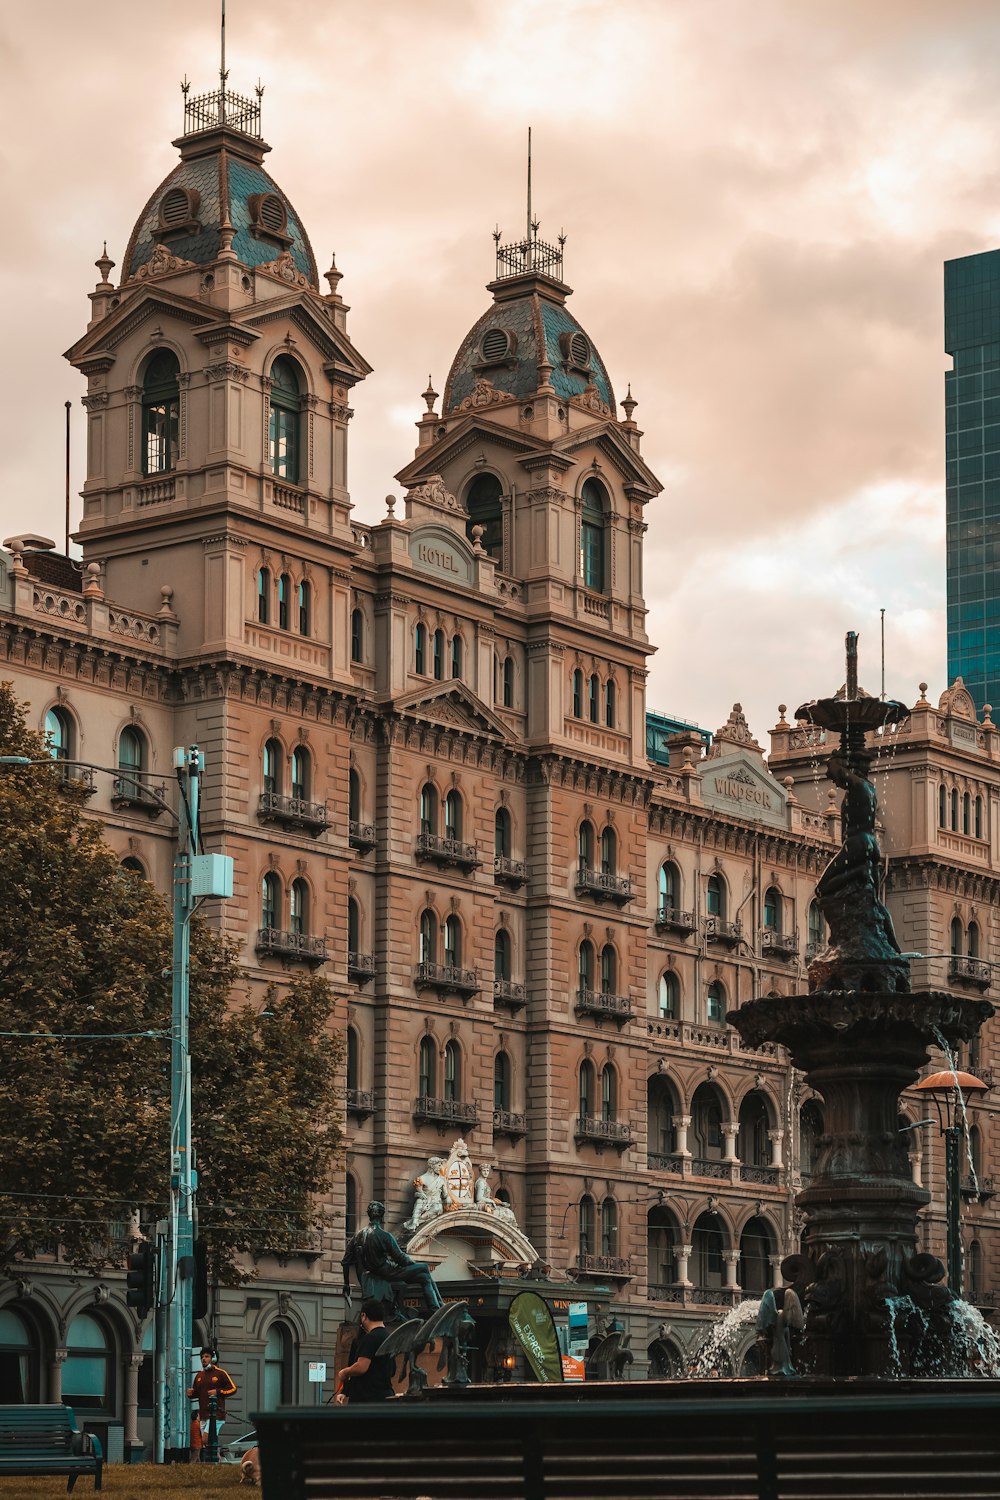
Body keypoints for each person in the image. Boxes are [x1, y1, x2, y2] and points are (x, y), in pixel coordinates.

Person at [342, 1200, 443, 1320]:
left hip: (374, 1273)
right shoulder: (384, 1236)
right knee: (424, 1268)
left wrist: (346, 1284)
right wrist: (413, 1265)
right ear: (382, 1216)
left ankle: (438, 1309)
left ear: (369, 1215)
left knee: (424, 1277)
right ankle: (437, 1310)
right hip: (387, 1272)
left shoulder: (357, 1236)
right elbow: (401, 1258)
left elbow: (345, 1262)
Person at [333, 1299, 395, 1404]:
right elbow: (392, 1370)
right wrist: (345, 1391)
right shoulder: (389, 1337)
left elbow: (361, 1367)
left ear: (364, 1315)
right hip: (384, 1396)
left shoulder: (370, 1338)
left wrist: (344, 1372)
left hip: (366, 1400)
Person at [187, 1346, 237, 1453]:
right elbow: (197, 1393)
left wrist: (218, 1391)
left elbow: (233, 1389)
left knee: (206, 1439)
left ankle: (214, 1459)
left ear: (213, 1358)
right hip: (203, 1414)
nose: (203, 1359)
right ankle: (216, 1460)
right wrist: (190, 1394)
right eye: (202, 1357)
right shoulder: (199, 1376)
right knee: (206, 1443)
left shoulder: (220, 1373)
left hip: (216, 1414)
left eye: (207, 1356)